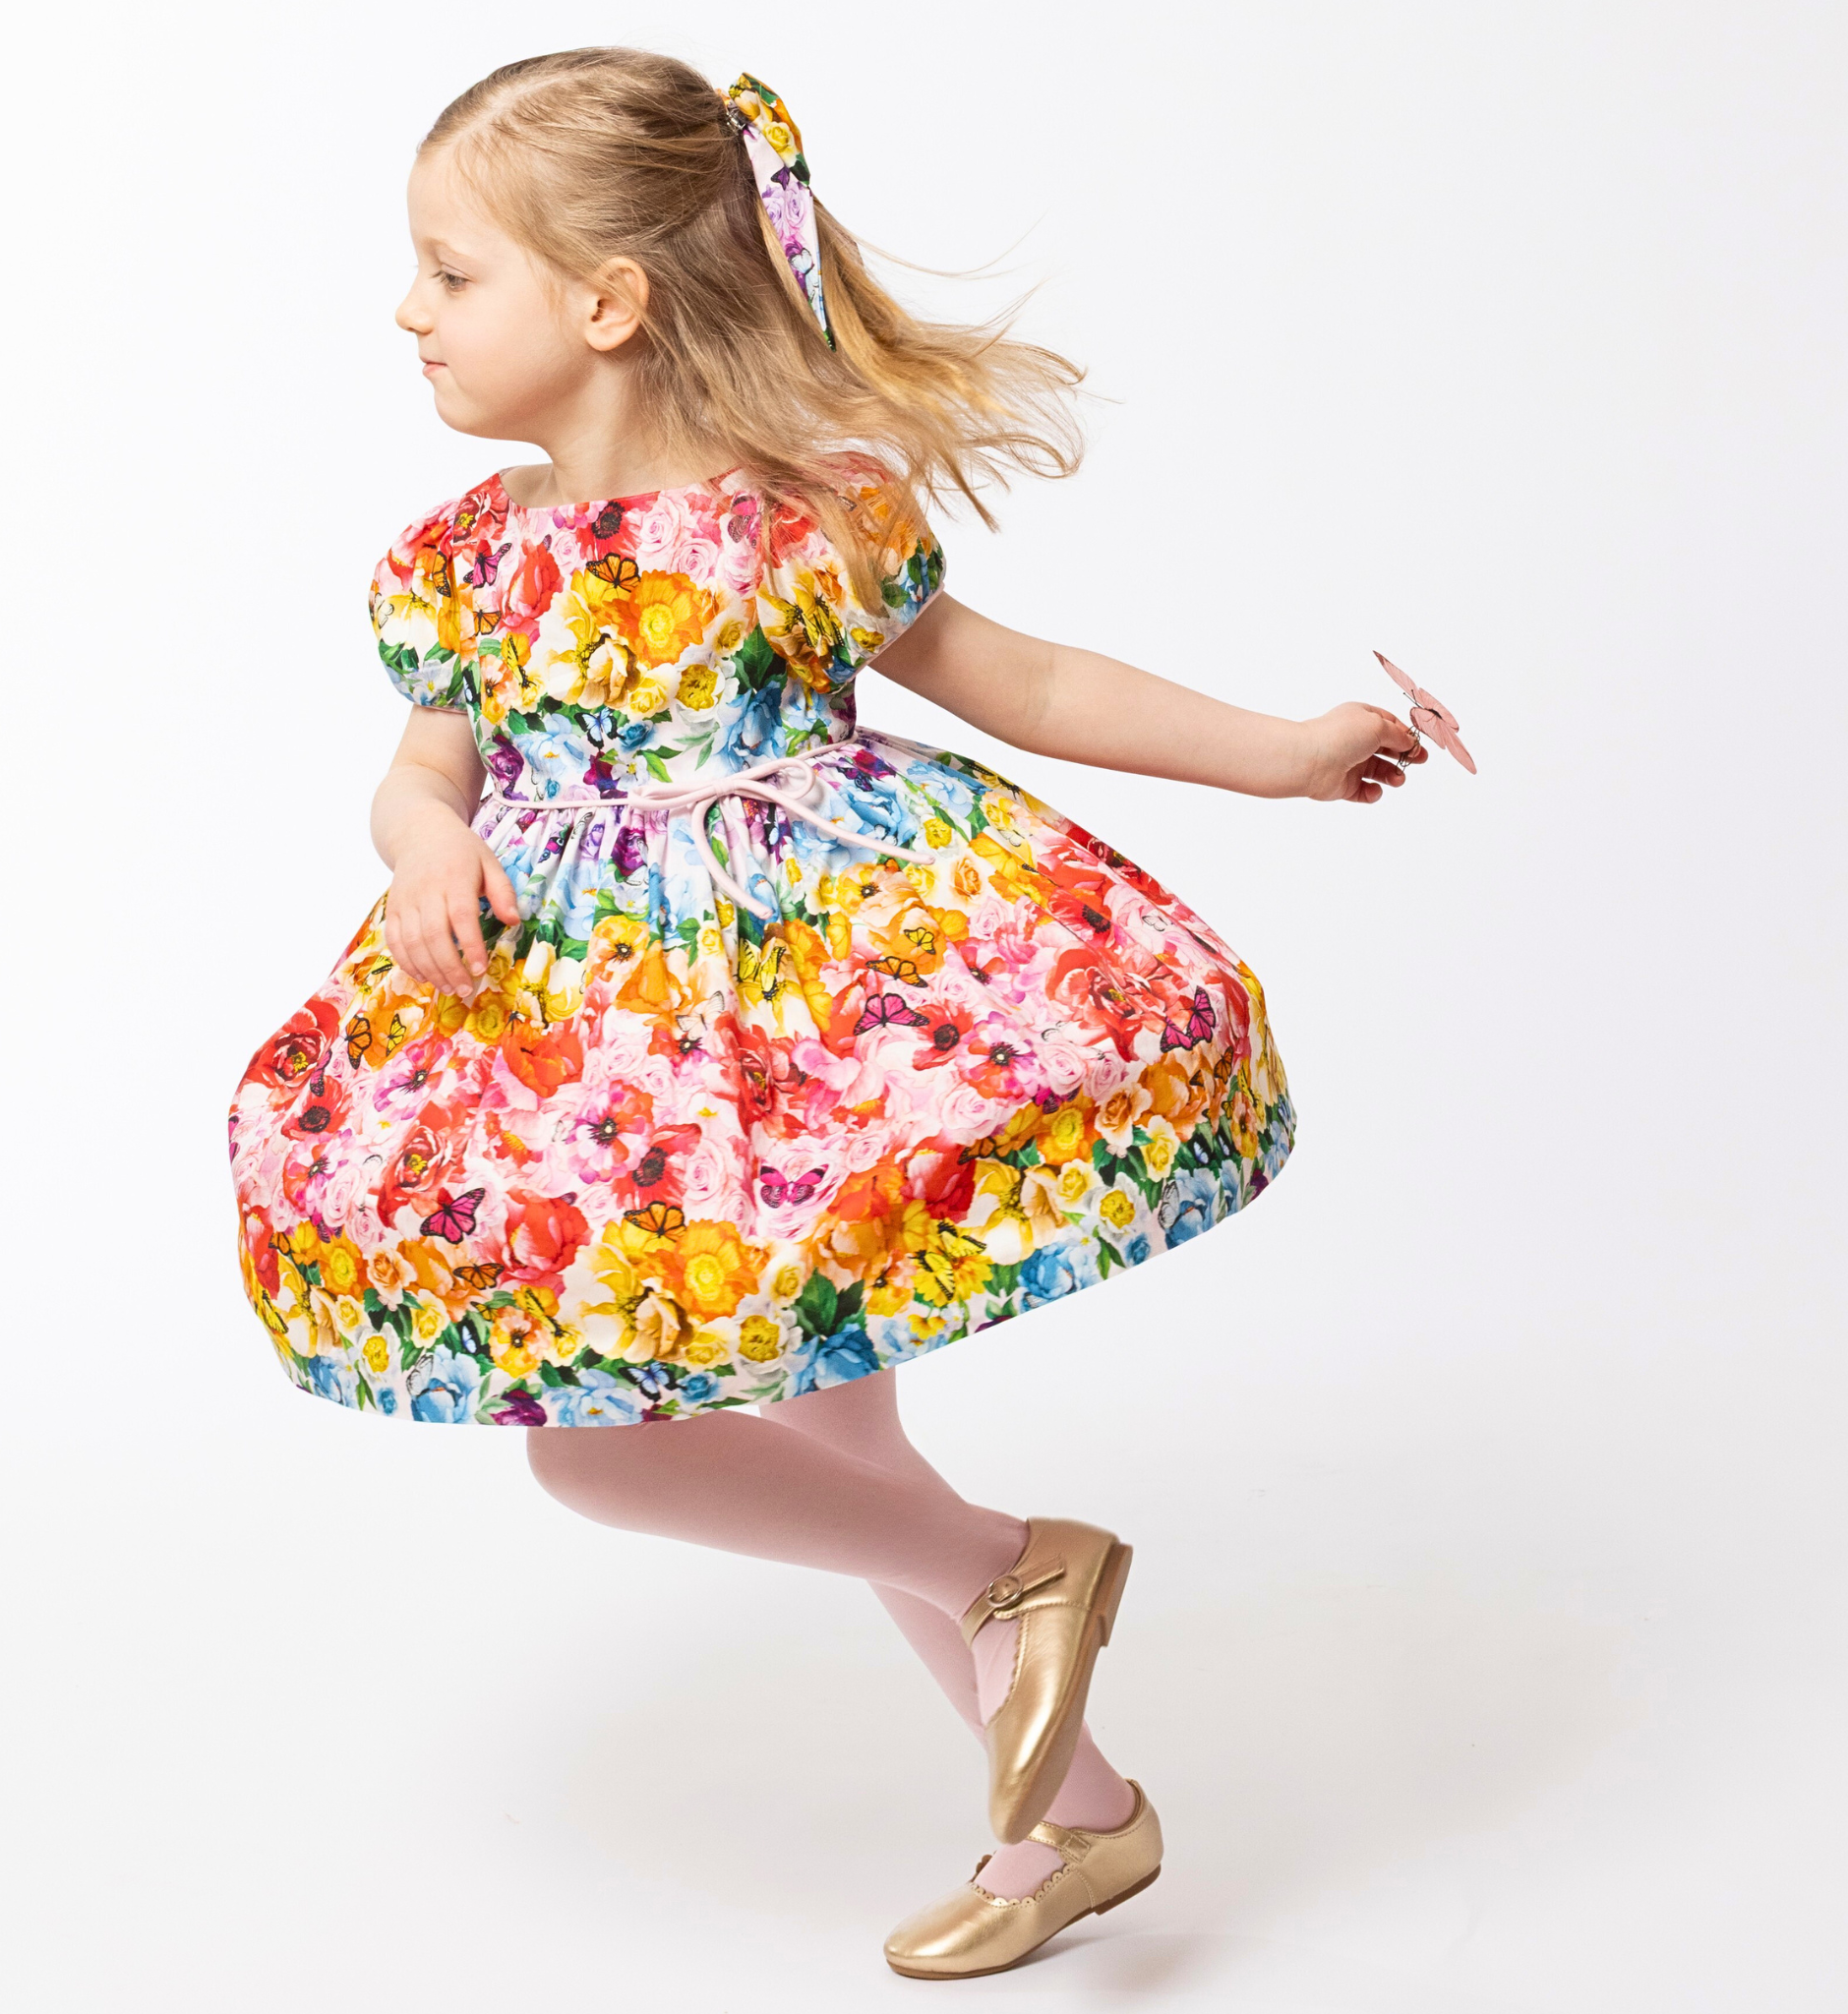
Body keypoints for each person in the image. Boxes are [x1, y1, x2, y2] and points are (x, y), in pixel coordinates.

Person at [227, 48, 1426, 1981]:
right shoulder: (466, 558)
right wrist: (420, 844)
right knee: (668, 1442)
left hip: (806, 1047)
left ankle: (1050, 1712)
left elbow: (1022, 680)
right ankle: (1073, 1766)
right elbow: (417, 770)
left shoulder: (798, 521)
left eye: (451, 272)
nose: (408, 310)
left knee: (742, 1443)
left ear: (605, 304)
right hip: (601, 1066)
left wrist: (1280, 752)